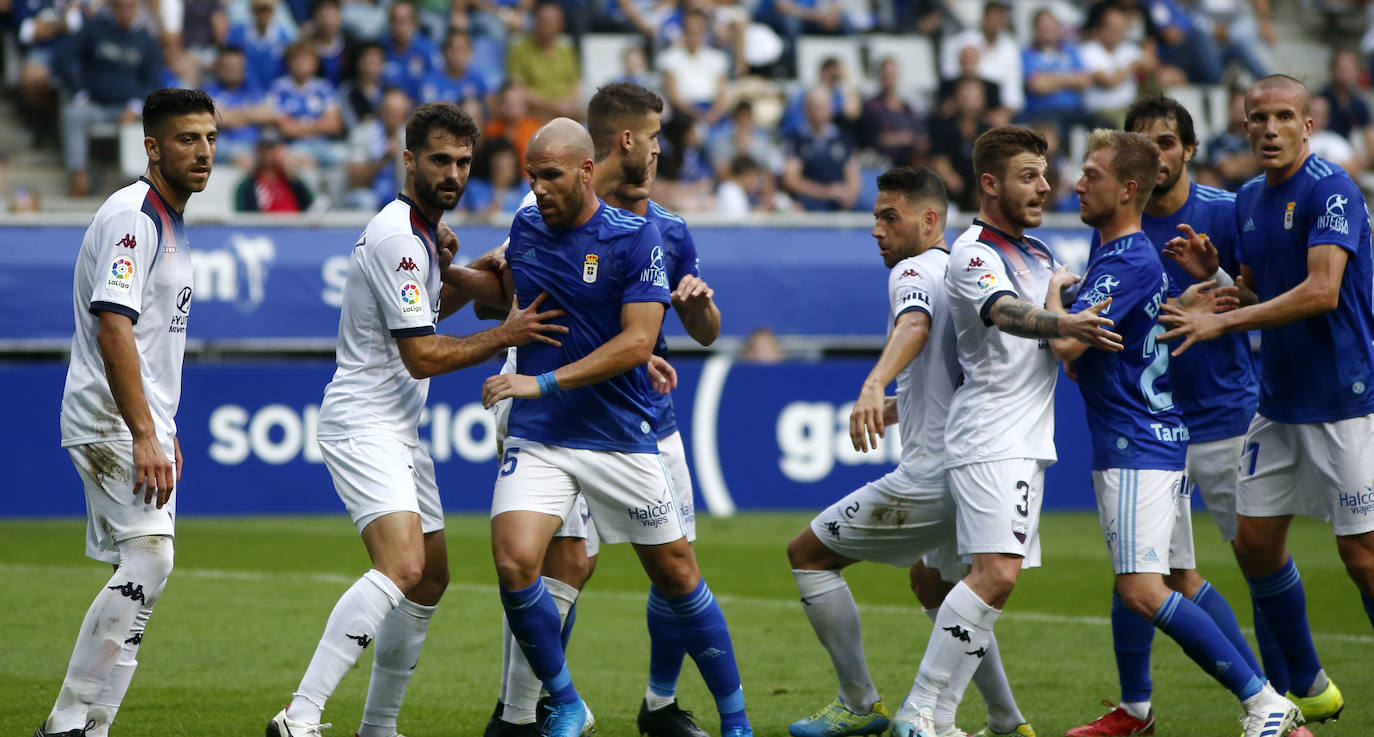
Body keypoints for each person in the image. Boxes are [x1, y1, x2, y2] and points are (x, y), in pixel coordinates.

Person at [264, 102, 568, 737]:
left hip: (397, 427)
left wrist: (464, 269)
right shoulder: (401, 239)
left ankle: (378, 727)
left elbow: (430, 309)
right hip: (363, 422)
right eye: (439, 160)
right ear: (408, 160)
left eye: (463, 162)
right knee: (401, 566)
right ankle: (300, 715)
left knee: (429, 578)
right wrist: (506, 332)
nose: (453, 173)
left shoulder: (422, 235)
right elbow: (423, 354)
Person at [479, 117, 752, 737]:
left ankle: (735, 723)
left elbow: (635, 340)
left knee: (677, 572)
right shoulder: (526, 225)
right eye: (531, 176)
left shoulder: (639, 236)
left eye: (549, 176)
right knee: (516, 562)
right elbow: (516, 297)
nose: (537, 188)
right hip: (542, 435)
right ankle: (561, 702)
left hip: (619, 433)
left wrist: (544, 380)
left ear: (585, 170)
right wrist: (450, 265)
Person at [1048, 127, 1301, 737]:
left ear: (1127, 189)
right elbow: (1109, 347)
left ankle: (1265, 702)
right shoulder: (1124, 257)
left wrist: (1054, 297)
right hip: (1150, 441)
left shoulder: (1125, 260)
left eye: (1092, 175)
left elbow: (1065, 345)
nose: (1078, 184)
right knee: (1168, 578)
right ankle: (1141, 711)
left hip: (1135, 446)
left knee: (1141, 588)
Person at [889, 125, 1123, 737]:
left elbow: (1064, 328)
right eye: (1028, 177)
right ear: (990, 185)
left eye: (1045, 175)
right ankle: (918, 710)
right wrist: (1061, 318)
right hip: (991, 435)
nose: (1044, 187)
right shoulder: (973, 253)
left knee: (974, 582)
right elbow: (1004, 313)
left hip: (1022, 438)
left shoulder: (1040, 253)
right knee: (995, 575)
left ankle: (944, 719)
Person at [785, 167, 1034, 737]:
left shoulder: (914, 270)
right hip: (978, 465)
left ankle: (858, 702)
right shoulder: (969, 270)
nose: (877, 229)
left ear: (929, 220)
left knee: (808, 555)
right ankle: (1007, 720)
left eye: (889, 217)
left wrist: (874, 383)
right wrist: (900, 402)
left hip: (933, 473)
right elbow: (950, 372)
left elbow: (915, 326)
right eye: (876, 216)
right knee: (935, 584)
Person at [1159, 73, 1374, 729]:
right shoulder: (1250, 198)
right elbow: (1259, 292)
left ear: (1308, 126)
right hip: (1278, 401)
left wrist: (1222, 322)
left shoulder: (1332, 189)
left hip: (1345, 400)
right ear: (1245, 125)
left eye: (1284, 117)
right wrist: (1218, 278)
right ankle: (1306, 683)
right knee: (1253, 544)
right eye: (1259, 118)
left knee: (1362, 557)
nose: (1270, 129)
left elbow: (1322, 291)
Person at [37, 88, 217, 737]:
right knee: (150, 558)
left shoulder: (170, 221)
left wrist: (161, 426)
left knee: (143, 573)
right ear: (152, 147)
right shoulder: (134, 216)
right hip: (108, 416)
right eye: (187, 139)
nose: (203, 151)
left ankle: (95, 725)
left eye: (210, 138)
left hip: (138, 419)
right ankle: (66, 720)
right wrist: (144, 430)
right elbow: (113, 325)